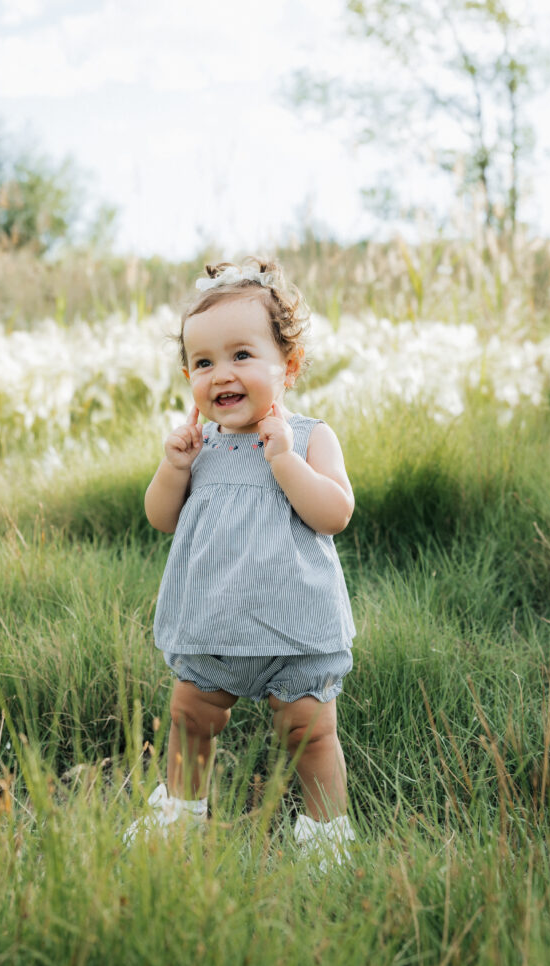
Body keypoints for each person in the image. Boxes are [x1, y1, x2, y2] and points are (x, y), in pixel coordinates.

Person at [124, 259, 357, 868]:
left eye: (242, 356)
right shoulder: (199, 449)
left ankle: (327, 837)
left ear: (290, 366)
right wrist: (172, 468)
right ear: (188, 376)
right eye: (203, 363)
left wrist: (285, 463)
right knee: (189, 716)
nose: (221, 374)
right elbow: (162, 518)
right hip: (213, 622)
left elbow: (334, 513)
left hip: (294, 627)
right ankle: (179, 812)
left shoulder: (308, 437)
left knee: (308, 729)